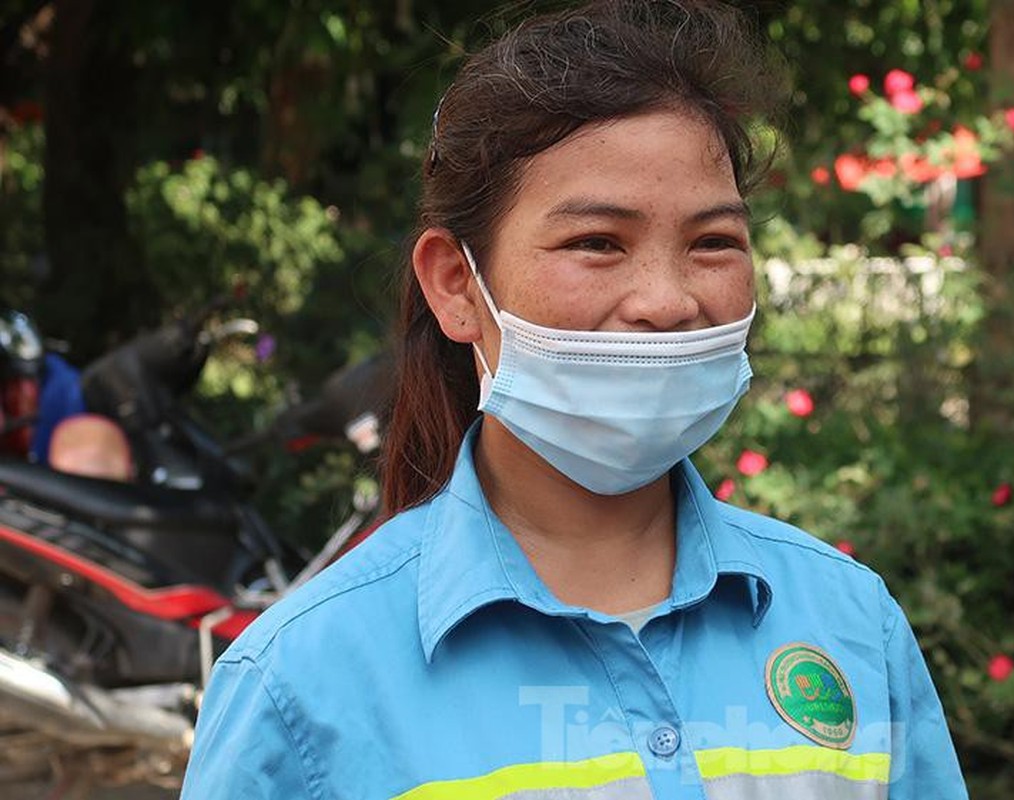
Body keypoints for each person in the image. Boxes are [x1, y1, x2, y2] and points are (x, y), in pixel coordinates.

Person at [180, 2, 970, 798]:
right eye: (596, 243)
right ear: (457, 286)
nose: (666, 301)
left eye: (714, 242)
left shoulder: (848, 621)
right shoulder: (300, 682)